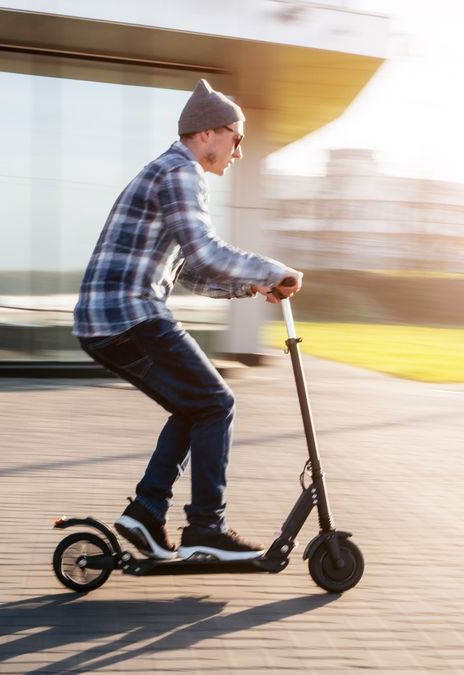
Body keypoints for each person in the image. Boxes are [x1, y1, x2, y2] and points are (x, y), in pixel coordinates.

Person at [73, 79, 302, 562]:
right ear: (208, 133)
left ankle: (146, 512)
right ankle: (206, 530)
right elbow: (206, 250)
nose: (238, 152)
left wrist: (251, 286)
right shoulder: (180, 172)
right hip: (128, 314)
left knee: (197, 406)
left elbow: (192, 273)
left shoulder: (168, 171)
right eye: (237, 139)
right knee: (217, 403)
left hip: (107, 321)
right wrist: (273, 269)